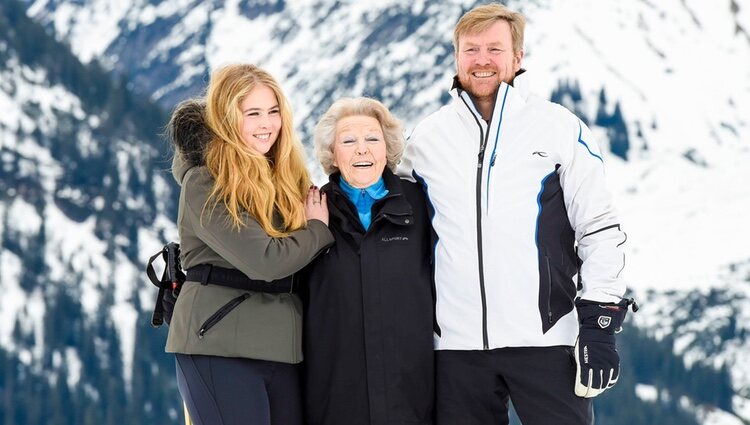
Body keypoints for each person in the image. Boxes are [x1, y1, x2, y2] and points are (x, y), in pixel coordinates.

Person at [397, 3, 637, 425]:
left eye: (495, 48)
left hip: (546, 341)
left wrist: (600, 323)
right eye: (471, 49)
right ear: (456, 56)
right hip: (455, 349)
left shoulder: (559, 128)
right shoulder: (425, 140)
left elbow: (599, 228)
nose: (482, 60)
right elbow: (394, 228)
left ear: (517, 57)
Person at [164, 64, 334, 425]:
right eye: (252, 113)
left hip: (282, 349)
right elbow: (266, 261)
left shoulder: (285, 177)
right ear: (226, 118)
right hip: (218, 344)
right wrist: (317, 230)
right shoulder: (204, 181)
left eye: (273, 112)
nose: (266, 124)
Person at [300, 97, 435, 425]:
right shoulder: (310, 210)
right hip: (334, 398)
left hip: (411, 396)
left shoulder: (420, 204)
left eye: (372, 139)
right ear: (332, 153)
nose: (362, 149)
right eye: (349, 140)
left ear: (387, 149)